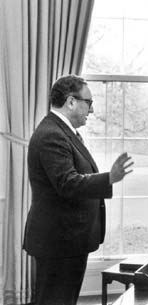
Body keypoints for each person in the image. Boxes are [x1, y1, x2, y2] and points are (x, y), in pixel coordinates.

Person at [23, 75, 134, 305]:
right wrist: (109, 178)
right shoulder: (52, 134)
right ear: (71, 101)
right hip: (58, 244)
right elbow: (67, 183)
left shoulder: (62, 131)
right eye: (88, 103)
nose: (91, 110)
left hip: (66, 241)